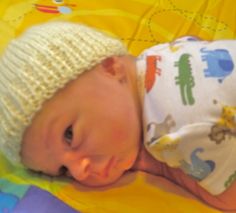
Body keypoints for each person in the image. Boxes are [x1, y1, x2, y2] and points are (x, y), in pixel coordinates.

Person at [0, 21, 235, 211]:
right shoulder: (158, 56)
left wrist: (163, 168)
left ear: (111, 68)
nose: (80, 171)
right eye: (64, 170)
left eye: (69, 135)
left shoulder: (175, 128)